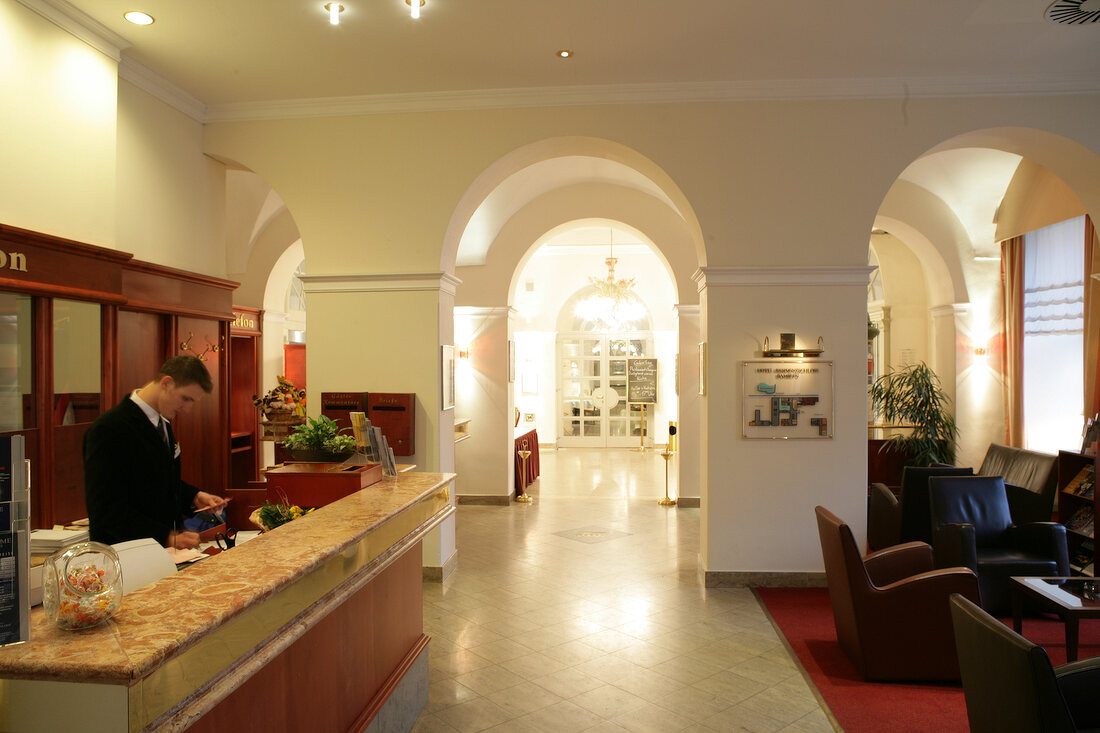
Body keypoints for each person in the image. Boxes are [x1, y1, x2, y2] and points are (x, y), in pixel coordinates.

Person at [84, 355, 227, 549]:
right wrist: (165, 537)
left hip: (161, 553)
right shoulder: (109, 428)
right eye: (185, 398)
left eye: (192, 402)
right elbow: (106, 510)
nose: (187, 409)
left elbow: (155, 479)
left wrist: (194, 496)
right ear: (166, 383)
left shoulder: (162, 423)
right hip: (126, 554)